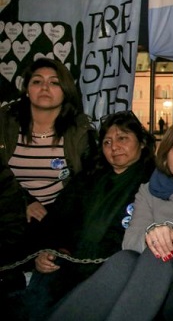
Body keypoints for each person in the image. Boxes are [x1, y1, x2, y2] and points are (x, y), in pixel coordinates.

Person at [48, 119, 173, 321]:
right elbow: (130, 243)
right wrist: (155, 234)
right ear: (166, 153)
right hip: (147, 283)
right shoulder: (149, 191)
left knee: (163, 254)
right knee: (124, 260)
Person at [20, 110, 157, 320]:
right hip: (67, 264)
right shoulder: (87, 178)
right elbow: (56, 221)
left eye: (122, 138)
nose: (114, 147)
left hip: (115, 271)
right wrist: (43, 252)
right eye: (107, 142)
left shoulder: (155, 183)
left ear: (142, 143)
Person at [0, 58, 96, 295]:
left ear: (65, 91)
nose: (45, 87)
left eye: (54, 82)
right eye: (37, 81)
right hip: (7, 212)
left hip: (56, 216)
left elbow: (86, 183)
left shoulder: (79, 130)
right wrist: (24, 202)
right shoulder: (5, 123)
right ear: (27, 89)